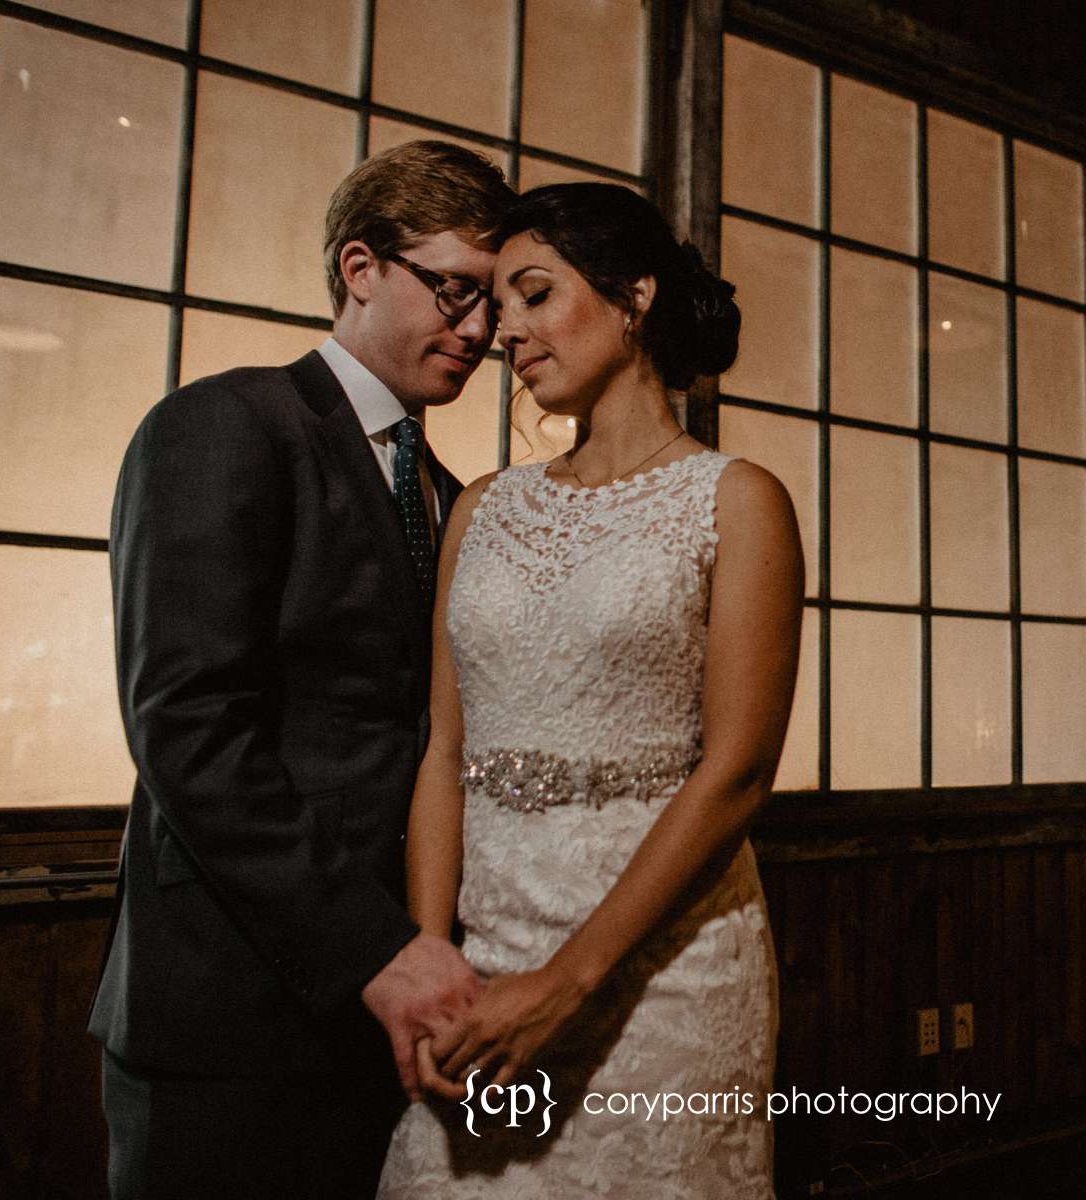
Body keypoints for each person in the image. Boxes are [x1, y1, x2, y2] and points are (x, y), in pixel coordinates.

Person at [89, 140, 515, 1198]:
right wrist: (376, 949)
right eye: (454, 290)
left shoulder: (450, 492)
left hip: (396, 1008)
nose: (478, 332)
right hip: (232, 1009)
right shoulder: (226, 423)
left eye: (495, 304)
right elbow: (186, 728)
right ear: (360, 268)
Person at [376, 183, 804, 1197]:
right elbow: (443, 751)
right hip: (485, 953)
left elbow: (738, 773)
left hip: (662, 967)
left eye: (532, 294)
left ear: (634, 298)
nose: (501, 332)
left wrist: (569, 982)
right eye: (492, 303)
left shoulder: (737, 501)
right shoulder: (483, 507)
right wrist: (433, 957)